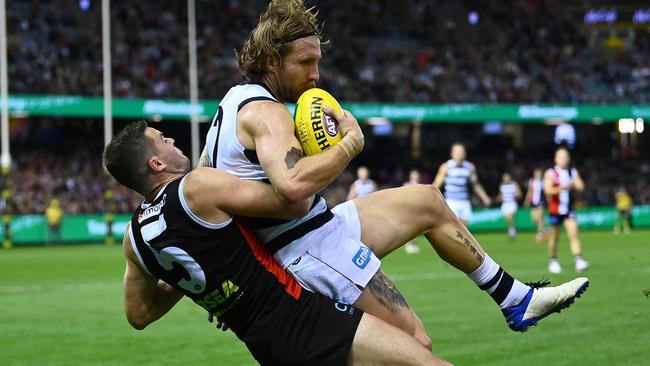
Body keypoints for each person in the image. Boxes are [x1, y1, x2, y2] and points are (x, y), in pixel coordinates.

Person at [201, 0, 589, 344]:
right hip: (305, 248)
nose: (316, 75)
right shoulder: (267, 112)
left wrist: (227, 275)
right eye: (306, 63)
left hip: (317, 228)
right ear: (271, 61)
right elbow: (293, 185)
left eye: (317, 61)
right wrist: (350, 145)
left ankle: (516, 300)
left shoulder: (231, 103)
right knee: (415, 345)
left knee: (426, 201)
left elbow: (201, 195)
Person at [104, 122, 450, 366]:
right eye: (163, 139)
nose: (171, 140)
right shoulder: (197, 186)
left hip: (265, 347)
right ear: (157, 163)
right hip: (302, 318)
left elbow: (139, 315)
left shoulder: (133, 239)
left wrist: (206, 286)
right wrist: (339, 150)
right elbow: (293, 201)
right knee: (425, 355)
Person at [544, 147, 590, 274]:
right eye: (561, 156)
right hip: (555, 210)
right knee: (554, 237)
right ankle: (553, 260)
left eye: (566, 157)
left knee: (574, 233)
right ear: (556, 158)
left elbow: (581, 186)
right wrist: (561, 187)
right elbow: (547, 190)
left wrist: (575, 184)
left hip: (569, 209)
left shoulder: (572, 172)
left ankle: (579, 260)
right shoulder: (550, 173)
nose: (564, 159)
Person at [432, 143, 492, 226]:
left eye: (461, 153)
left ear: (465, 154)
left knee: (464, 230)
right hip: (451, 201)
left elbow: (475, 184)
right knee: (454, 229)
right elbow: (436, 185)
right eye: (457, 153)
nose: (459, 155)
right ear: (452, 154)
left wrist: (484, 197)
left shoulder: (469, 167)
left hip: (464, 202)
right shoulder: (446, 167)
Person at [497, 173, 521, 240]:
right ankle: (511, 229)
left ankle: (512, 231)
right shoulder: (501, 185)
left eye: (507, 177)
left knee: (510, 217)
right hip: (505, 204)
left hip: (512, 203)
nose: (506, 178)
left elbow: (519, 193)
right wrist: (499, 198)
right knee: (507, 219)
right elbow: (501, 195)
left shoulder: (514, 184)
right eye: (505, 177)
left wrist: (516, 194)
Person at [524, 168, 546, 242]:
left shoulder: (543, 181)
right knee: (534, 219)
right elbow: (529, 191)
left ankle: (540, 234)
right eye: (537, 173)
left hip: (541, 201)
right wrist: (527, 201)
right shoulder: (532, 181)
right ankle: (545, 229)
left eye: (539, 173)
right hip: (533, 202)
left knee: (540, 218)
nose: (538, 174)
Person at [403, 169, 422, 254]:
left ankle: (414, 244)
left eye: (416, 175)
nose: (415, 177)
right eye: (414, 175)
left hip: (417, 210)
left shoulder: (420, 186)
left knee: (416, 228)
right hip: (408, 210)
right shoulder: (406, 185)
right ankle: (409, 244)